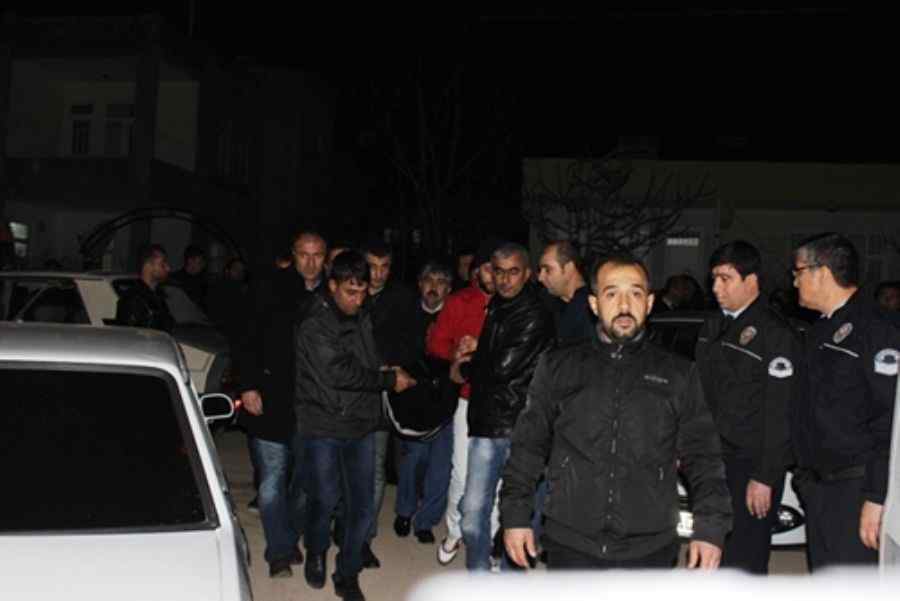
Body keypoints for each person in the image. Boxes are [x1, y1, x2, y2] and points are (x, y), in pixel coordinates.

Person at [501, 254, 732, 571]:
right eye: (612, 294)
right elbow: (528, 445)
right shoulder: (558, 366)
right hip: (571, 541)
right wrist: (515, 516)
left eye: (635, 293)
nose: (624, 305)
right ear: (594, 304)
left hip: (650, 545)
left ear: (649, 303)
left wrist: (711, 528)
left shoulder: (678, 374)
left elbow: (703, 456)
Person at [296, 251, 416, 601]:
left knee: (362, 506)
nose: (358, 299)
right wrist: (387, 380)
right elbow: (339, 372)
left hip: (361, 423)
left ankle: (347, 572)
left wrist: (387, 368)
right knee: (324, 498)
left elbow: (368, 358)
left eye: (363, 292)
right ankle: (316, 550)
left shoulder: (361, 314)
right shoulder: (314, 322)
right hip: (323, 422)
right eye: (351, 292)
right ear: (332, 285)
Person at [790, 233, 899, 571]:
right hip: (821, 489)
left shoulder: (876, 329)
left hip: (856, 491)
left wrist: (877, 496)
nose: (794, 281)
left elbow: (889, 419)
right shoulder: (820, 330)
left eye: (798, 271)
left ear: (822, 272)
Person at [694, 241, 799, 574]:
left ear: (751, 280)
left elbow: (781, 411)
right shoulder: (713, 326)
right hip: (713, 462)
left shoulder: (775, 333)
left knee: (745, 560)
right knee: (711, 556)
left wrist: (765, 476)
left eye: (726, 279)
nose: (716, 288)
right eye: (714, 279)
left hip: (749, 466)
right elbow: (699, 394)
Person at [451, 242, 556, 571]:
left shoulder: (535, 313)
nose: (506, 279)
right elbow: (494, 355)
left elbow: (500, 367)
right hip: (487, 422)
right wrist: (477, 352)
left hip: (520, 425)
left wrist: (464, 368)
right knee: (472, 515)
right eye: (499, 272)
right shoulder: (497, 305)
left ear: (527, 274)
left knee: (517, 518)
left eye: (513, 272)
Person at [236, 231, 327, 578]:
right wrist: (248, 386)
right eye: (304, 254)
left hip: (312, 407)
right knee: (272, 480)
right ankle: (279, 551)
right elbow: (245, 338)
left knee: (304, 482)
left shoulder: (332, 294)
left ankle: (288, 536)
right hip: (270, 399)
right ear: (293, 255)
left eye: (317, 255)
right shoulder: (269, 288)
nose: (310, 262)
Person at [426, 237, 501, 566]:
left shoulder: (516, 304)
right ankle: (455, 530)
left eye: (500, 268)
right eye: (488, 267)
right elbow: (436, 345)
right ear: (476, 271)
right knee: (462, 473)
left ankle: (490, 539)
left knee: (497, 477)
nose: (494, 274)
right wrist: (455, 351)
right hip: (468, 400)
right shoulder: (459, 302)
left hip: (504, 404)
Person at [356, 240, 417, 566]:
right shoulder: (348, 291)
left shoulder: (402, 299)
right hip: (346, 392)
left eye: (384, 267)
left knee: (375, 467)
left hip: (381, 393)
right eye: (372, 266)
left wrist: (391, 365)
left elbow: (413, 343)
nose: (378, 274)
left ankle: (364, 538)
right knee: (341, 465)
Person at [393, 262, 455, 544]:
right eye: (428, 280)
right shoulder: (406, 314)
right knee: (413, 458)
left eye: (440, 282)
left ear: (448, 288)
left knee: (441, 465)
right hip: (413, 400)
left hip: (446, 398)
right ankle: (405, 511)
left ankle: (426, 521)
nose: (433, 287)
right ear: (419, 284)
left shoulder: (454, 315)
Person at [537, 240, 596, 343]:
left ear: (569, 268)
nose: (540, 278)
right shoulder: (547, 302)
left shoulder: (591, 309)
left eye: (548, 270)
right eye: (540, 270)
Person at [115, 244, 175, 333]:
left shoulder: (158, 296)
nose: (168, 268)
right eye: (163, 264)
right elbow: (130, 335)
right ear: (148, 266)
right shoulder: (133, 298)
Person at [169, 244, 208, 310]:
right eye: (200, 262)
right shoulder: (174, 280)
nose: (203, 265)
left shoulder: (204, 281)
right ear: (190, 261)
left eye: (203, 262)